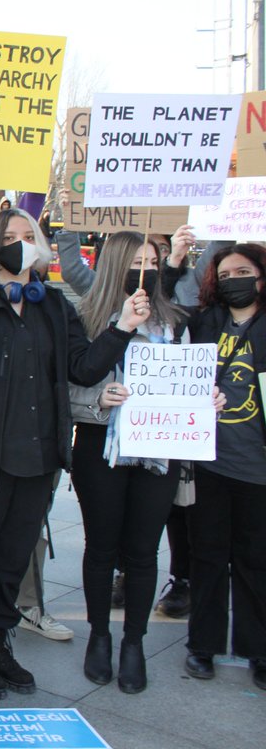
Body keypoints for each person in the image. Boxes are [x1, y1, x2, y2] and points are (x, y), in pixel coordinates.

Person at [0, 208, 149, 699]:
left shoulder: (53, 305)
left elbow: (84, 367)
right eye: (8, 236)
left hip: (38, 459)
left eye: (27, 235)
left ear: (41, 245)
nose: (19, 243)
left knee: (13, 560)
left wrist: (122, 327)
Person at [69, 232, 204, 693]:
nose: (145, 270)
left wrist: (208, 400)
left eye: (153, 261)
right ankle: (100, 638)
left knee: (144, 553)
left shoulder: (177, 323)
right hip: (99, 450)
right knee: (101, 548)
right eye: (136, 262)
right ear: (115, 266)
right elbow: (75, 379)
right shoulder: (86, 315)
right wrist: (98, 396)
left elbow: (192, 381)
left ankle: (133, 644)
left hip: (156, 454)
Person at [185, 243, 266, 690]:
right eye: (227, 271)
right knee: (209, 556)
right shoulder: (204, 323)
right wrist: (177, 258)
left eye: (245, 270)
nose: (236, 278)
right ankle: (203, 644)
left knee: (257, 561)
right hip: (211, 463)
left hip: (258, 466)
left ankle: (258, 648)